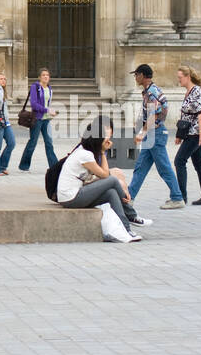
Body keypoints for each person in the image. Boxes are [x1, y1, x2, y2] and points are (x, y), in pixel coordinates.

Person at [56, 115, 142, 243]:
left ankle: (126, 228)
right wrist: (102, 152)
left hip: (74, 195)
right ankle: (131, 214)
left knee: (111, 193)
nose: (107, 142)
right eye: (105, 140)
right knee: (112, 181)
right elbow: (105, 175)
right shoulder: (85, 155)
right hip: (71, 197)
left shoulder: (84, 151)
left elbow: (102, 176)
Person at [128, 64, 185, 209]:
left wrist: (142, 133)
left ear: (142, 75)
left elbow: (154, 114)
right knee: (140, 167)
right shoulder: (150, 91)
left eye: (136, 75)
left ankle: (177, 198)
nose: (135, 77)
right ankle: (129, 197)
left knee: (164, 168)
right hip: (153, 134)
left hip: (155, 134)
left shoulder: (152, 92)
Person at [174, 66, 201, 206]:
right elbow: (185, 116)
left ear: (188, 77)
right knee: (199, 164)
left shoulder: (196, 91)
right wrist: (179, 135)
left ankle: (181, 197)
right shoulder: (188, 92)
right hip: (189, 132)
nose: (178, 80)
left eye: (180, 77)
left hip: (195, 133)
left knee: (179, 161)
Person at [18, 67, 59, 171]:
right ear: (39, 77)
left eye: (47, 75)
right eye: (43, 75)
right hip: (37, 119)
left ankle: (54, 166)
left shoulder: (49, 89)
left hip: (46, 119)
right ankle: (24, 166)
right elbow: (34, 104)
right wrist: (47, 110)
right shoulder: (35, 87)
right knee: (33, 142)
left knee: (49, 143)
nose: (46, 77)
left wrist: (51, 111)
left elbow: (47, 104)